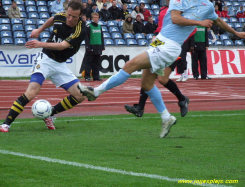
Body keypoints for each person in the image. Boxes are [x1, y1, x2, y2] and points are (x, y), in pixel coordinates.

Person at [77, 0, 245, 138]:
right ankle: (166, 117)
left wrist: (235, 33)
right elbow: (176, 19)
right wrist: (199, 22)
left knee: (130, 65)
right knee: (147, 83)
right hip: (161, 41)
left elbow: (217, 20)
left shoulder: (207, 5)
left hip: (170, 46)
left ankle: (96, 92)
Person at [0, 0, 86, 133]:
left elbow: (63, 46)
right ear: (66, 11)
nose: (70, 19)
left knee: (80, 95)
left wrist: (40, 44)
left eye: (74, 17)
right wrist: (39, 30)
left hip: (60, 65)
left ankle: (50, 113)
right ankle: (6, 123)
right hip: (45, 60)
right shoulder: (61, 16)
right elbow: (52, 19)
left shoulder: (81, 29)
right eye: (69, 15)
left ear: (79, 16)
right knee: (32, 91)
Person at [125, 1, 191, 118]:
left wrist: (178, 40)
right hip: (160, 44)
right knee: (148, 71)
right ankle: (140, 107)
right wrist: (155, 35)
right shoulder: (163, 10)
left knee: (162, 79)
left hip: (172, 47)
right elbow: (160, 27)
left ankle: (182, 99)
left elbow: (191, 29)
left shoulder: (183, 11)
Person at [81, 12, 105, 82]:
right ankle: (87, 76)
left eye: (97, 17)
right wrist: (88, 47)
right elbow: (87, 37)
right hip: (91, 47)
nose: (96, 19)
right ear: (92, 18)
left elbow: (101, 37)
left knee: (97, 63)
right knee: (88, 62)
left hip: (98, 46)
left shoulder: (99, 26)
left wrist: (102, 47)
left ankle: (96, 77)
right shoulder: (89, 26)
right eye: (94, 17)